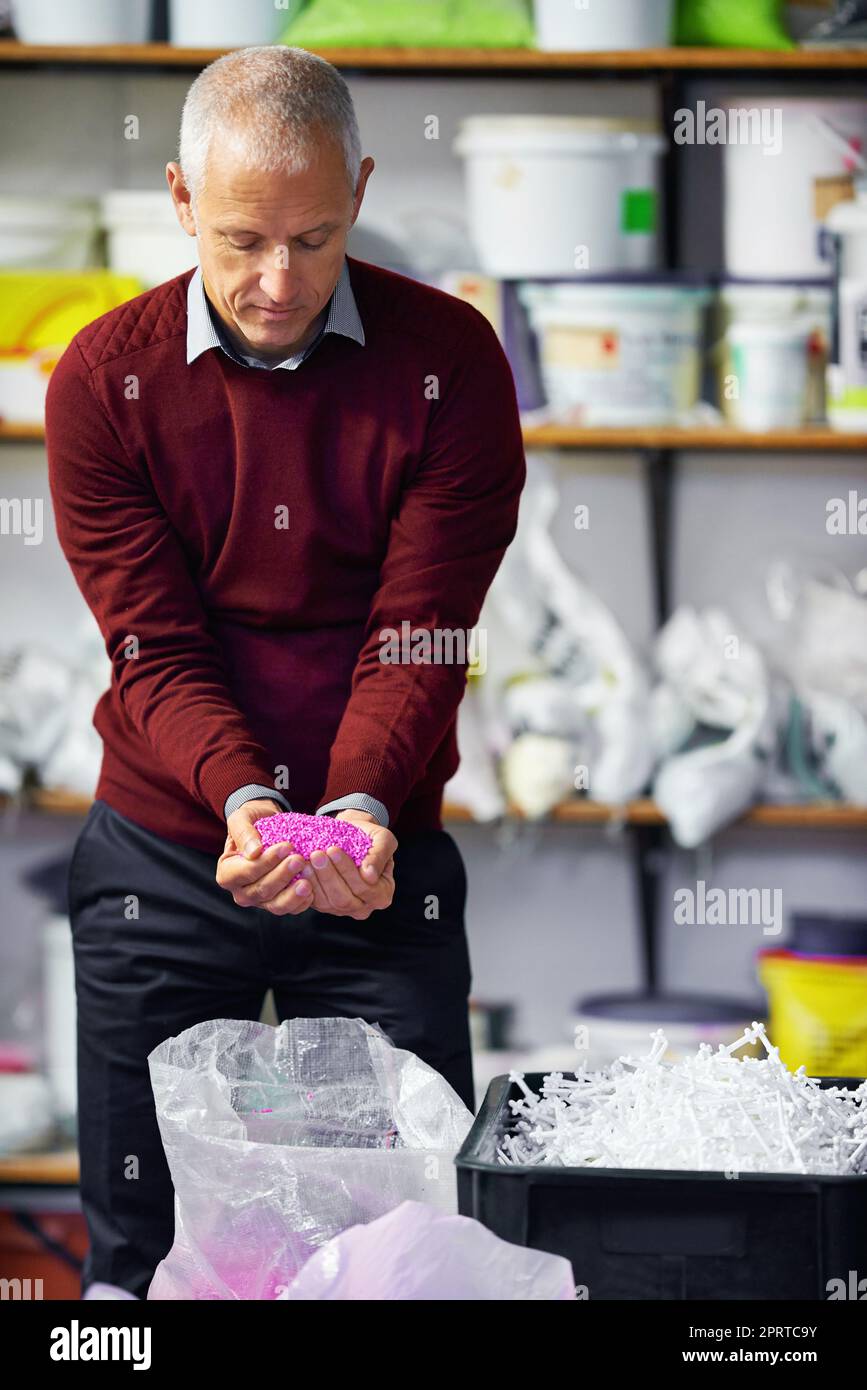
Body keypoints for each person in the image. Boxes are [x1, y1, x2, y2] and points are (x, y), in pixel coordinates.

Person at [45, 44, 526, 1297]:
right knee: (134, 1255)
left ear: (360, 191)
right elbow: (151, 645)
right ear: (180, 197)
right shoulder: (104, 381)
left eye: (314, 239)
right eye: (244, 237)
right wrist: (249, 803)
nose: (277, 282)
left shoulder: (452, 362)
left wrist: (353, 809)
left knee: (417, 1236)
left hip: (379, 852)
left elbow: (420, 627)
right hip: (168, 846)